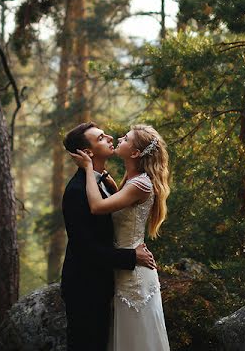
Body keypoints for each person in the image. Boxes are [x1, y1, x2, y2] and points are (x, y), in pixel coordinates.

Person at [71, 124, 171, 351]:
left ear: (135, 153)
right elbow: (122, 208)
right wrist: (103, 176)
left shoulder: (140, 184)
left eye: (125, 139)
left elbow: (97, 206)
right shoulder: (131, 179)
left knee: (137, 340)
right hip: (124, 267)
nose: (117, 138)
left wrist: (88, 169)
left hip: (134, 275)